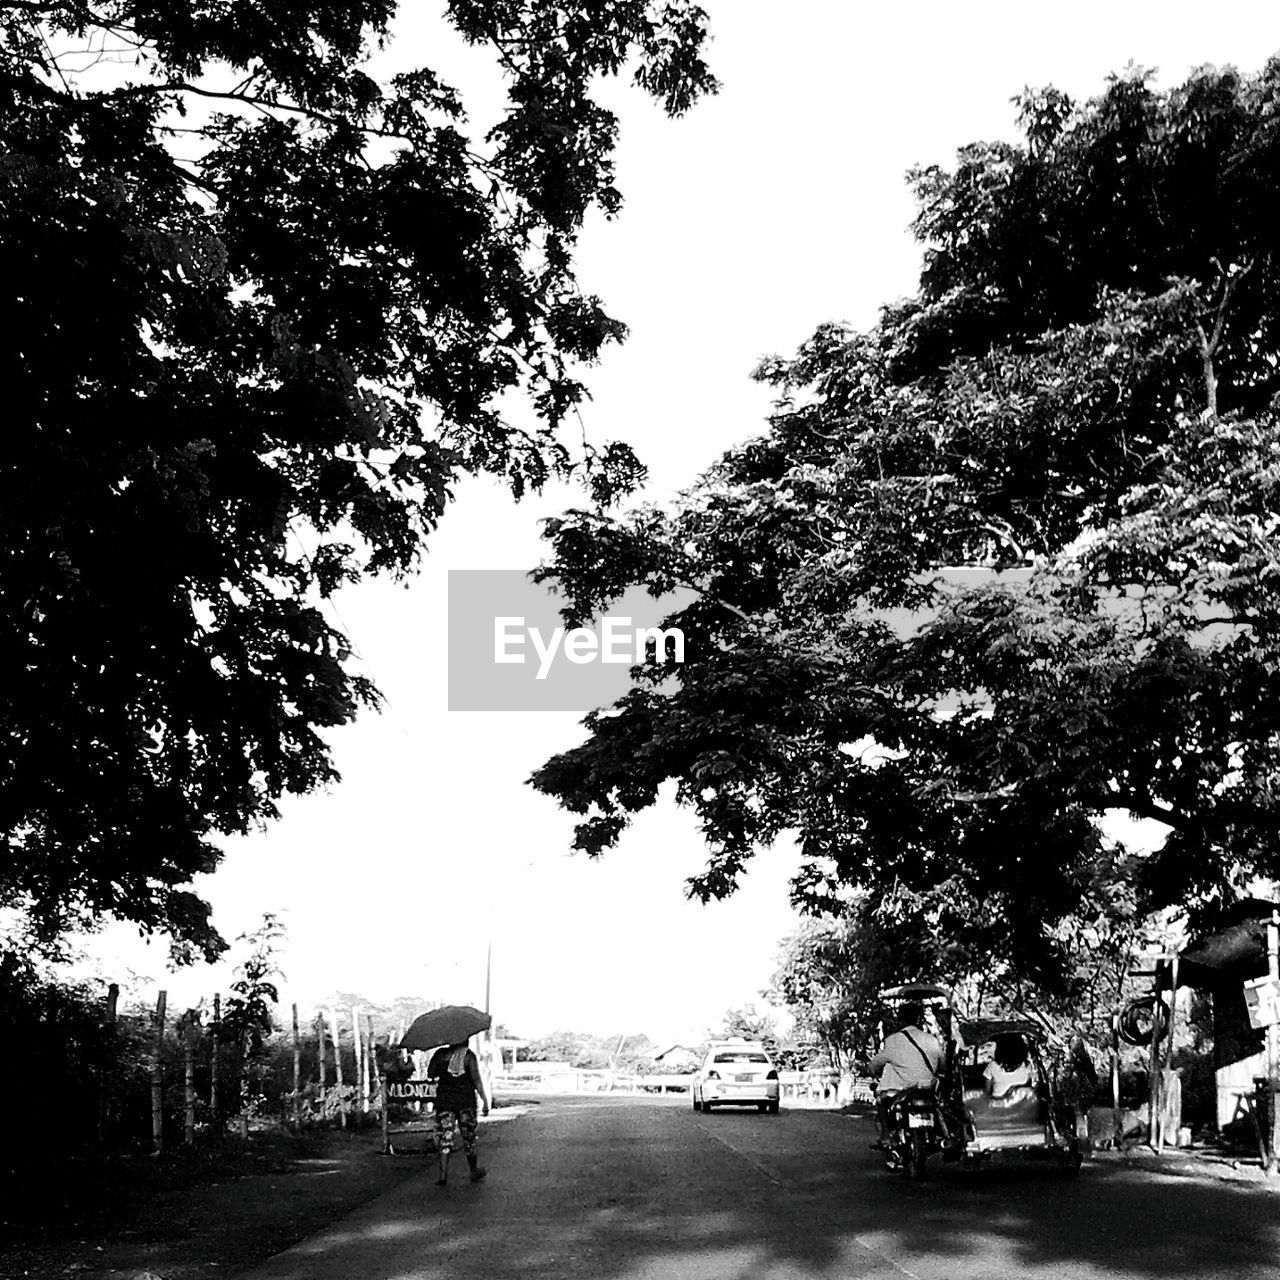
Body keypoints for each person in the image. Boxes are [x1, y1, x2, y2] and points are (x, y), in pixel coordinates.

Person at [868, 1002, 946, 1146]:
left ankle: (886, 1136)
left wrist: (872, 1070)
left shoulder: (892, 1041)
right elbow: (943, 1065)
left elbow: (874, 1065)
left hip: (902, 1090)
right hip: (929, 1088)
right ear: (919, 1019)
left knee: (881, 1103)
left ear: (900, 1019)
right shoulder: (931, 1039)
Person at [426, 1039, 492, 1186]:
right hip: (465, 1102)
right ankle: (473, 1171)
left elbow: (430, 1073)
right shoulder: (469, 1056)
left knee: (445, 1138)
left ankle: (443, 1176)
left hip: (444, 1102)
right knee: (468, 1137)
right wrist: (485, 1101)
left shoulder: (440, 1054)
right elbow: (476, 1080)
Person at [984, 1032, 1034, 1097]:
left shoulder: (992, 1065)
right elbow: (1028, 1086)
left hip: (998, 1104)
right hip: (1020, 1104)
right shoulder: (1027, 1065)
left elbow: (987, 1091)